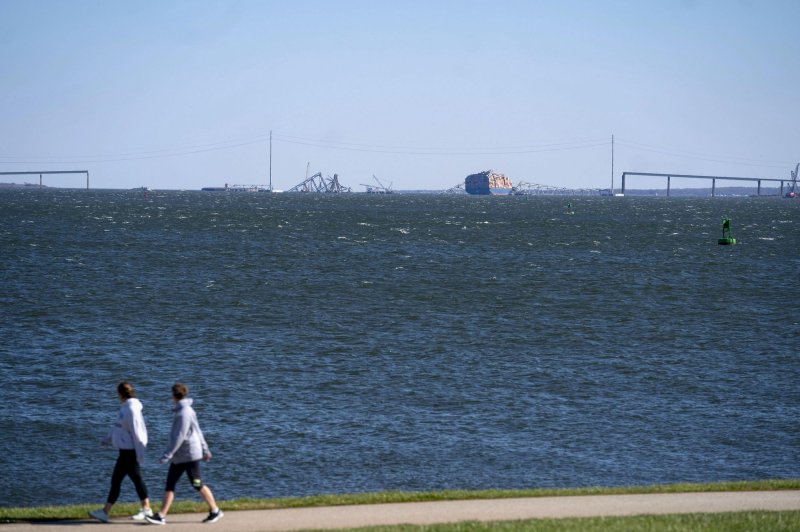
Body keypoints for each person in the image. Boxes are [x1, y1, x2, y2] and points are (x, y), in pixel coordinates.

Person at [146, 383, 223, 525]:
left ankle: (215, 510)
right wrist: (205, 449)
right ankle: (161, 516)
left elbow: (179, 437)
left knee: (197, 484)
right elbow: (198, 430)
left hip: (189, 455)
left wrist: (167, 455)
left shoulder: (184, 413)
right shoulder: (184, 410)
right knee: (170, 484)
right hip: (180, 456)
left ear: (174, 395)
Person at [89, 382, 153, 523]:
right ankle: (145, 508)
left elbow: (139, 432)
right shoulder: (125, 408)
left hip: (129, 453)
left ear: (120, 393)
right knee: (130, 480)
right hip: (124, 452)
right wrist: (108, 439)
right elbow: (118, 427)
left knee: (122, 480)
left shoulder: (131, 409)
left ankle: (106, 512)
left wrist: (140, 454)